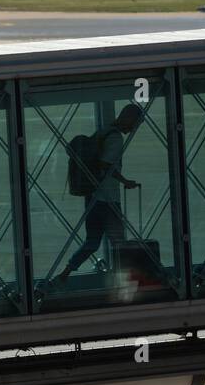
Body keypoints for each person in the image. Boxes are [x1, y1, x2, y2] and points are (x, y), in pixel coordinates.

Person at [55, 104, 143, 284]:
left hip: (93, 197)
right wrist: (125, 181)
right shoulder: (115, 138)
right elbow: (105, 165)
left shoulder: (103, 132)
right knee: (119, 242)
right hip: (108, 199)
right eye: (135, 123)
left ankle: (65, 274)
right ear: (128, 118)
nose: (134, 128)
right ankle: (127, 280)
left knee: (92, 242)